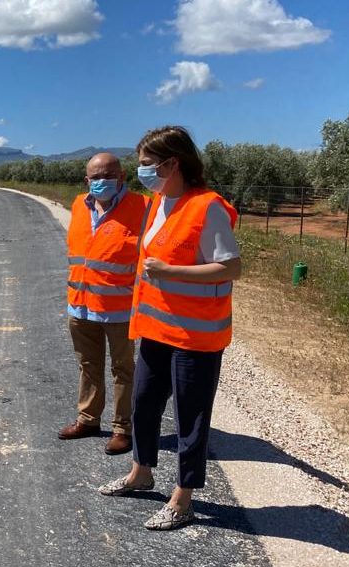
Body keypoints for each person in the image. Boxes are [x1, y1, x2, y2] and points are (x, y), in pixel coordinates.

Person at [97, 126, 241, 531]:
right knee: (143, 403)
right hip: (156, 330)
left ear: (172, 163)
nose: (141, 171)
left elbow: (232, 267)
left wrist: (169, 271)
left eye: (146, 165)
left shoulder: (207, 207)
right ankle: (141, 474)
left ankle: (183, 497)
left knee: (190, 416)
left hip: (196, 336)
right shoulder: (157, 203)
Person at [59, 153, 148, 455]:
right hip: (80, 305)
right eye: (95, 177)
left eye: (107, 175)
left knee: (123, 368)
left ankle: (123, 428)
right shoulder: (78, 205)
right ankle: (88, 419)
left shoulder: (142, 207)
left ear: (122, 177)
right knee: (88, 365)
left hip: (120, 309)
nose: (101, 182)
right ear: (87, 180)